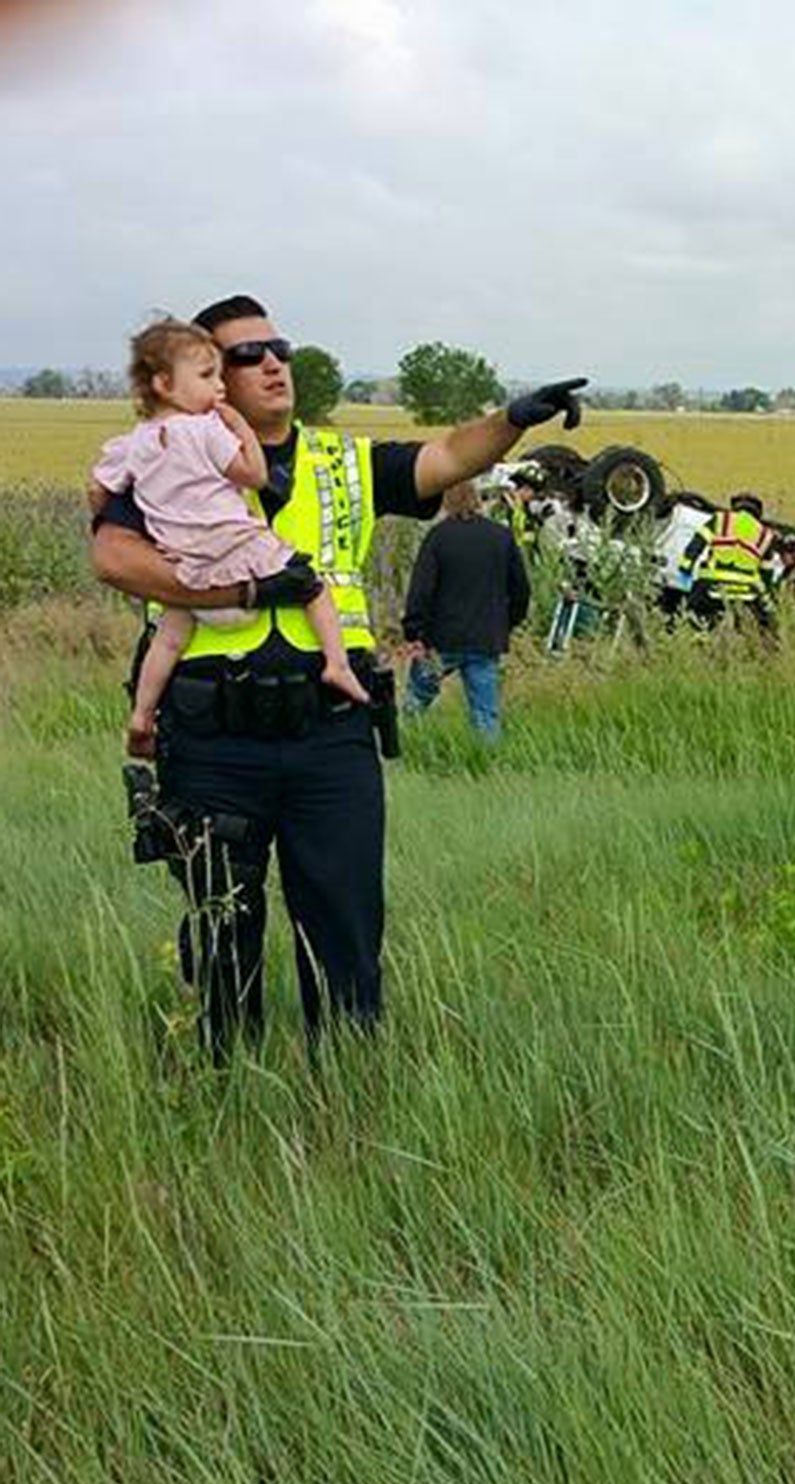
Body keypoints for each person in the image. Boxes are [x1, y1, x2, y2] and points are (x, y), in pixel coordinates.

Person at [89, 292, 585, 1061]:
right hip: (215, 737)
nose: (273, 363)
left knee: (347, 929)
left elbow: (449, 456)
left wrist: (514, 418)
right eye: (247, 355)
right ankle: (224, 1086)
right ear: (207, 376)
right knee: (221, 930)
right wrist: (244, 592)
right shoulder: (167, 453)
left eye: (279, 347)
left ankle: (346, 1093)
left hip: (331, 733)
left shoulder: (342, 462)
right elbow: (114, 558)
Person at [93, 319, 368, 760]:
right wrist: (238, 426)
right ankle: (337, 665)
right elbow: (254, 475)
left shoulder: (131, 444)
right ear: (165, 384)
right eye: (207, 377)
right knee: (312, 587)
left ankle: (142, 715)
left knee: (167, 640)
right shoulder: (206, 431)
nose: (218, 387)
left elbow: (99, 490)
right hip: (238, 551)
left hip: (189, 572)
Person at [400, 479, 531, 742]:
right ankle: (486, 767)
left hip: (440, 638)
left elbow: (421, 590)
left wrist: (413, 632)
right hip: (485, 638)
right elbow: (521, 590)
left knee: (415, 703)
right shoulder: (501, 537)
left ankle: (404, 752)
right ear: (477, 499)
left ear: (446, 501)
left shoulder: (438, 537)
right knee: (485, 714)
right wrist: (507, 623)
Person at [676, 490, 782, 630]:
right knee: (746, 631)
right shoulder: (765, 535)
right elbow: (766, 574)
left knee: (694, 621)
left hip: (711, 588)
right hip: (745, 595)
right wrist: (766, 601)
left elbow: (696, 545)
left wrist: (685, 569)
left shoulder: (721, 519)